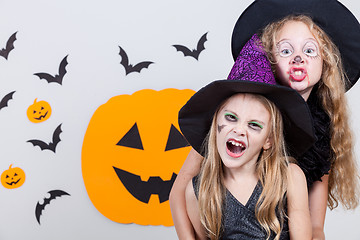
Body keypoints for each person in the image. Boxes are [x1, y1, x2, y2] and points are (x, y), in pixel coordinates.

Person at [170, 0, 360, 239]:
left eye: (309, 50)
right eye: (286, 50)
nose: (298, 58)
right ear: (270, 59)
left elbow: (315, 226)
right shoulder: (241, 110)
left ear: (327, 63)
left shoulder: (322, 129)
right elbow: (182, 192)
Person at [177, 35, 314, 239]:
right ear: (215, 126)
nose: (239, 130)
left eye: (253, 125)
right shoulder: (197, 191)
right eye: (231, 118)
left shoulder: (289, 177)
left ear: (269, 140)